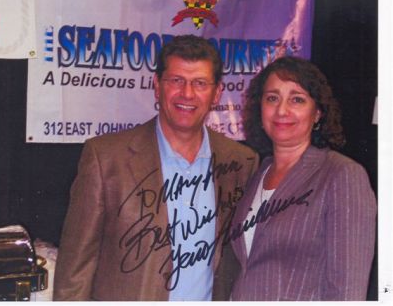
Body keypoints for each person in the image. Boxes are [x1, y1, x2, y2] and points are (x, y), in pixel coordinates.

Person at [53, 35, 259, 301]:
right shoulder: (106, 159)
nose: (187, 93)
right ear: (157, 86)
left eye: (200, 83)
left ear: (217, 92)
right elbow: (75, 272)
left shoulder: (242, 163)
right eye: (176, 81)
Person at [230, 56, 376, 301]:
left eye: (297, 99)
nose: (282, 110)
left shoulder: (342, 175)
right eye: (272, 98)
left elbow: (348, 291)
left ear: (317, 112)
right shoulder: (259, 172)